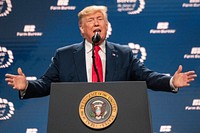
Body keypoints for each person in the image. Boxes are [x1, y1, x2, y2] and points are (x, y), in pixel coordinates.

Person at [5, 5, 197, 99]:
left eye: (100, 19)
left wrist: (171, 81)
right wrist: (26, 86)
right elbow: (45, 84)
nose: (96, 23)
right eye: (90, 20)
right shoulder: (64, 55)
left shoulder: (123, 54)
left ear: (107, 26)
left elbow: (147, 77)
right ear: (81, 29)